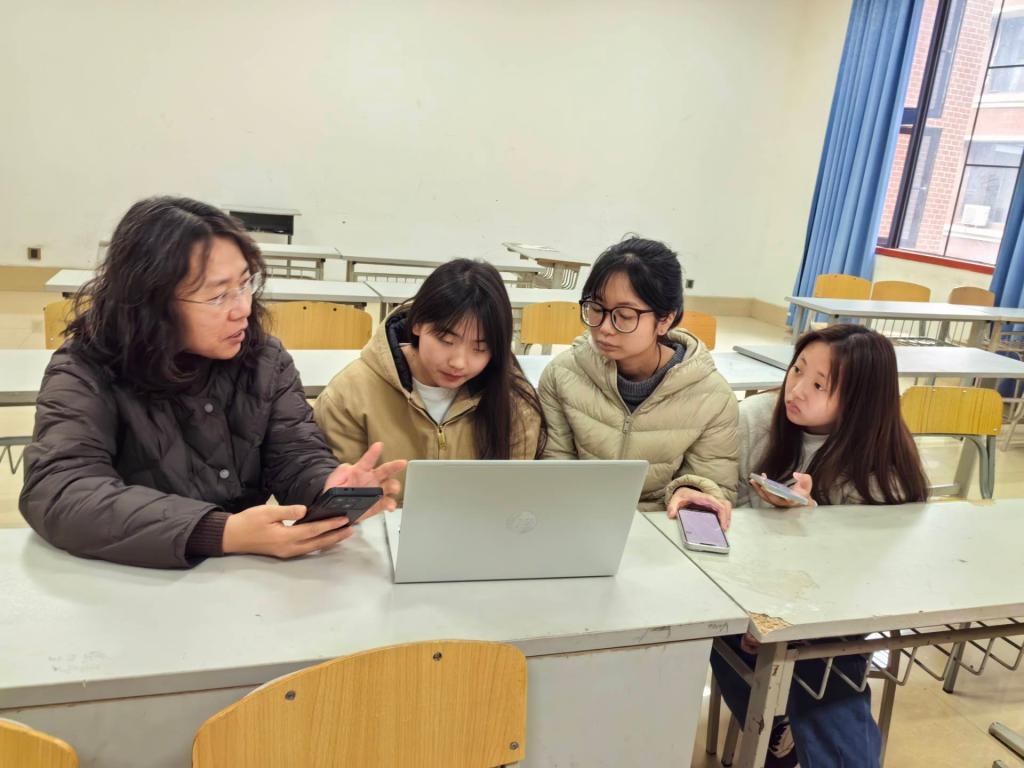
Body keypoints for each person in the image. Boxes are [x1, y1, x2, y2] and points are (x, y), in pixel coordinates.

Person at [19, 196, 403, 569]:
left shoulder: (264, 359)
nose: (243, 308)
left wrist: (328, 486)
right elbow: (60, 491)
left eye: (245, 284)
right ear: (151, 302)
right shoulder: (86, 367)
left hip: (239, 583)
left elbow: (294, 455)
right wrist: (220, 532)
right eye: (218, 296)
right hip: (129, 582)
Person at [680, 324, 929, 767]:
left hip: (832, 614)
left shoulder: (882, 462)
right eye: (797, 370)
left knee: (822, 665)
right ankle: (778, 732)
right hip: (742, 593)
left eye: (819, 385)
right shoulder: (754, 419)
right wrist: (761, 606)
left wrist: (809, 522)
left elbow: (870, 568)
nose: (796, 390)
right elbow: (720, 512)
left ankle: (780, 736)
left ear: (860, 400)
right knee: (725, 633)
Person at [538, 236, 738, 521]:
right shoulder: (563, 375)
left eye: (625, 315)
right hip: (578, 519)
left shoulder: (713, 397)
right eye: (596, 308)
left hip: (661, 526)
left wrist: (691, 491)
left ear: (665, 320)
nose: (605, 328)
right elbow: (553, 467)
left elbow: (714, 485)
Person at [314, 258, 545, 500]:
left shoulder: (515, 401)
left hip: (479, 524)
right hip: (379, 524)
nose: (459, 362)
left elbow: (512, 501)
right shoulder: (350, 394)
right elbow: (340, 502)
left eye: (480, 348)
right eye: (446, 341)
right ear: (417, 324)